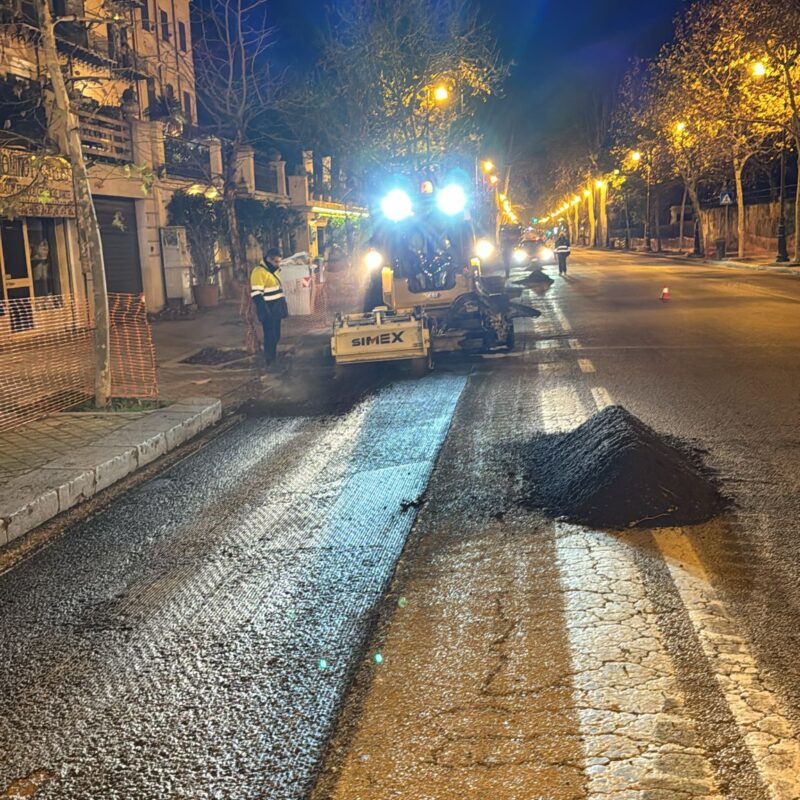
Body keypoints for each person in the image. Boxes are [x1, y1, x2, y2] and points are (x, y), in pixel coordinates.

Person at [250, 247, 288, 372]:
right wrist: (264, 312)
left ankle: (273, 359)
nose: (278, 265)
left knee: (276, 335)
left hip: (276, 309)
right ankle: (270, 362)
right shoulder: (258, 272)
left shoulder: (272, 270)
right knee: (270, 336)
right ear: (269, 259)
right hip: (268, 309)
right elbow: (256, 295)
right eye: (276, 262)